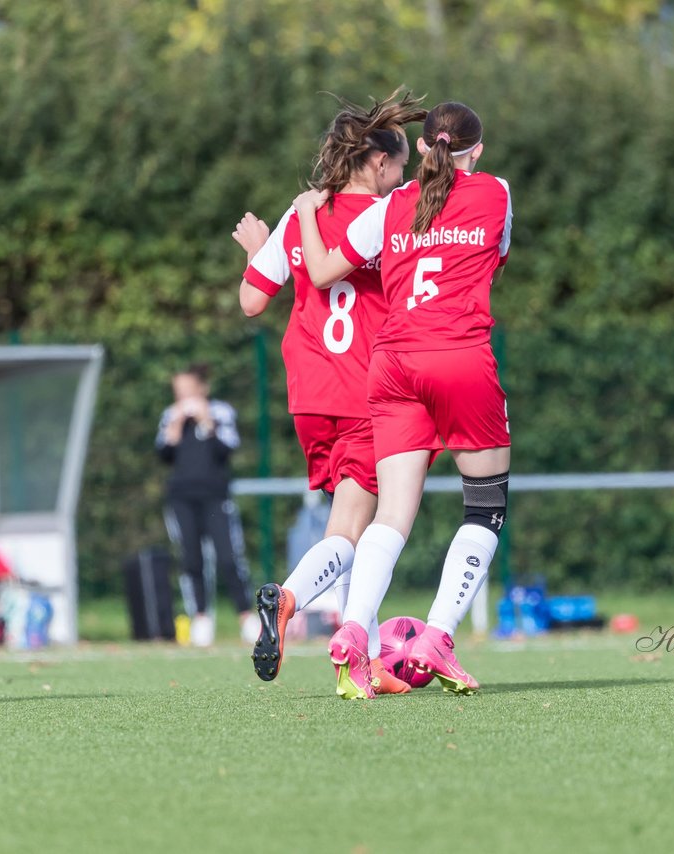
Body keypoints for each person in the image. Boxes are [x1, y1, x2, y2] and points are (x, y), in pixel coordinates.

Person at [295, 101, 512, 698]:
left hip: (390, 365)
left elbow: (318, 272)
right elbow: (495, 260)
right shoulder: (496, 191)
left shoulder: (391, 205)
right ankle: (438, 635)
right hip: (460, 357)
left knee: (391, 514)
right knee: (484, 506)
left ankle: (354, 631)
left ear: (419, 148)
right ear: (477, 150)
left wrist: (308, 212)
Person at [233, 88, 426, 695]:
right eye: (398, 167)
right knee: (353, 530)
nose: (402, 178)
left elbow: (251, 302)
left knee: (351, 522)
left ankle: (356, 664)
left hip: (308, 391)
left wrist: (258, 253)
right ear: (376, 164)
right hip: (368, 390)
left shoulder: (300, 214)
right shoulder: (390, 216)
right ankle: (288, 597)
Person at [155, 364, 258, 646]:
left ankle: (246, 615)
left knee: (228, 556)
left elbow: (227, 450)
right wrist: (176, 425)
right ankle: (200, 617)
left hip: (215, 496)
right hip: (182, 497)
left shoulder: (221, 412)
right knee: (191, 558)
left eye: (188, 390)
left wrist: (206, 422)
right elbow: (163, 453)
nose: (184, 396)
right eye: (179, 391)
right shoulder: (170, 415)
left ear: (202, 389)